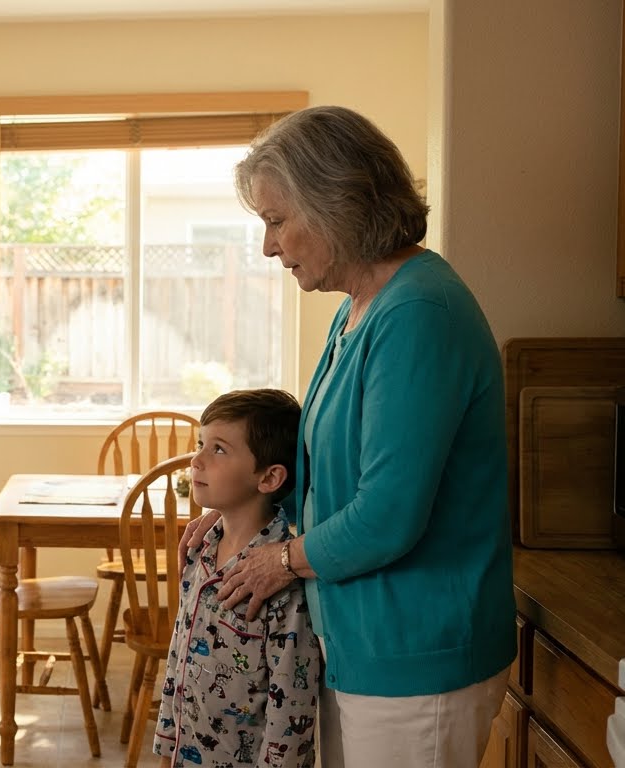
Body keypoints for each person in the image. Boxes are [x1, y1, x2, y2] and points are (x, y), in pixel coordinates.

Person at [180, 105, 515, 767]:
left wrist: (278, 561)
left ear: (337, 205)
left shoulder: (417, 313)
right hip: (361, 643)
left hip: (418, 654)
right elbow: (324, 467)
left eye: (277, 221)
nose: (269, 246)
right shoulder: (356, 310)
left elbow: (387, 515)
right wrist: (243, 517)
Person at [154, 388, 320, 768]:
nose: (196, 460)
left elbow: (290, 715)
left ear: (269, 477)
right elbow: (178, 658)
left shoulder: (282, 581)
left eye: (219, 449)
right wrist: (167, 749)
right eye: (201, 443)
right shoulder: (200, 551)